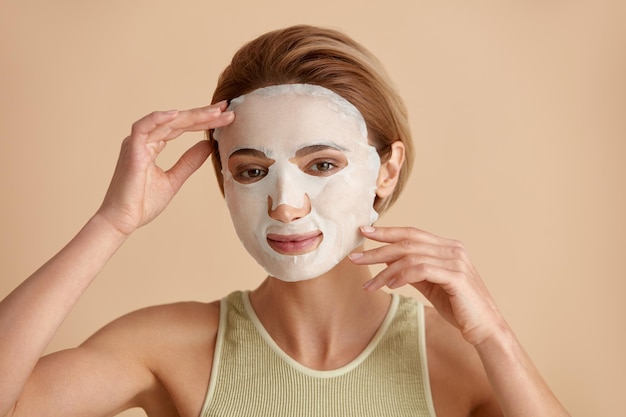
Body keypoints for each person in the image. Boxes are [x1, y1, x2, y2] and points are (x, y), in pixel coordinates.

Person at [0, 25, 569, 417]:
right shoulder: (168, 347)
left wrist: (493, 334)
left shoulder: (458, 359)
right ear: (223, 181)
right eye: (250, 172)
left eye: (322, 164)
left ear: (385, 171)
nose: (285, 204)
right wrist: (113, 221)